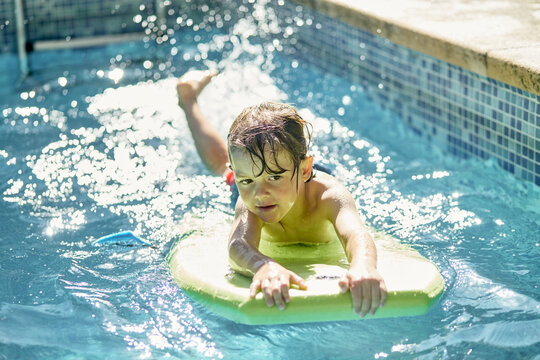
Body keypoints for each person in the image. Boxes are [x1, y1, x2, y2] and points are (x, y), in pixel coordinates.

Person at [176, 69, 387, 316]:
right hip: (281, 172)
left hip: (300, 175)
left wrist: (363, 266)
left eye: (273, 178)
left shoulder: (329, 197)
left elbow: (356, 234)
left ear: (306, 169)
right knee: (222, 168)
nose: (260, 194)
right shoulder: (250, 200)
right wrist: (263, 266)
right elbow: (237, 245)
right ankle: (188, 100)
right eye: (248, 181)